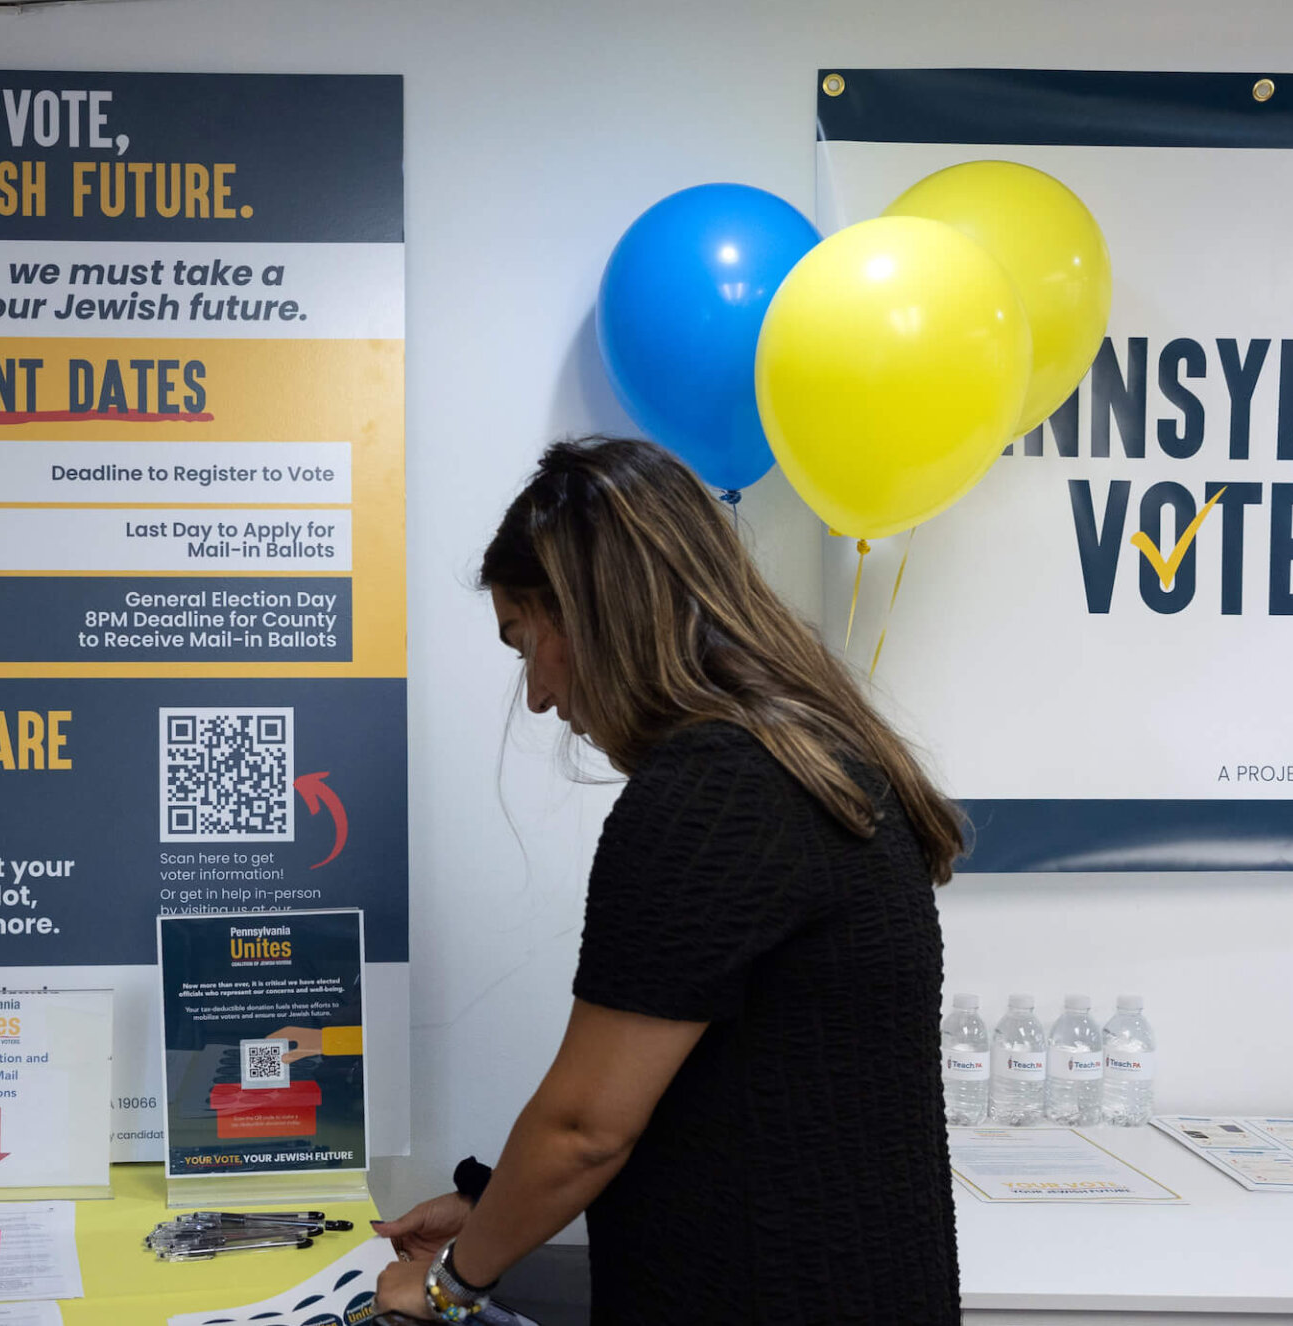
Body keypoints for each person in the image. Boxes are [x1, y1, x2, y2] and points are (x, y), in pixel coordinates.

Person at [372, 437, 963, 1323]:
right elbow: (716, 1090)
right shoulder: (807, 758)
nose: (535, 695)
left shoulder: (714, 793)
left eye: (524, 641)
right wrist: (495, 1206)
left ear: (585, 613)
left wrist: (450, 1286)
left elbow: (585, 1129)